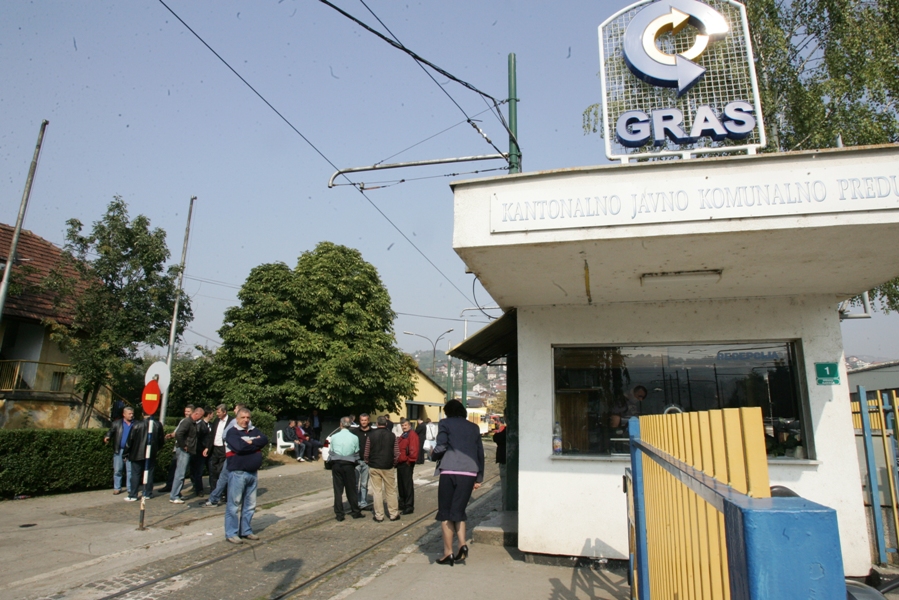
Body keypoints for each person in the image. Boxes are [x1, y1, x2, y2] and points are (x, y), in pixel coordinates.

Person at [432, 399, 484, 566]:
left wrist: (432, 455)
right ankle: (462, 544)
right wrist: (479, 477)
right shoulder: (474, 427)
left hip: (449, 470)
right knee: (459, 511)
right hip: (469, 472)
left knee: (446, 513)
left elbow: (441, 446)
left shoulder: (445, 423)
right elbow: (480, 453)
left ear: (447, 412)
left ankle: (448, 552)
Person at [224, 407, 268, 544]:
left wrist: (251, 441)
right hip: (238, 473)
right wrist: (255, 444)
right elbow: (240, 447)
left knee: (250, 505)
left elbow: (264, 439)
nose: (245, 420)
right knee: (234, 505)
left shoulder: (254, 430)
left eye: (248, 418)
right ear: (237, 419)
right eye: (243, 417)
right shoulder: (232, 432)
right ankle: (231, 533)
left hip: (252, 473)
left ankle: (246, 530)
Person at [205, 403, 248, 507]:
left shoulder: (233, 421)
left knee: (226, 476)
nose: (234, 410)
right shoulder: (247, 423)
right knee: (232, 476)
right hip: (236, 453)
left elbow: (224, 435)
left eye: (235, 409)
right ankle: (224, 497)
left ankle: (216, 498)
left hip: (232, 453)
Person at [363, 415, 400, 522]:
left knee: (377, 491)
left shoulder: (371, 435)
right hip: (388, 466)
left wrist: (368, 462)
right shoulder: (392, 435)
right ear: (386, 424)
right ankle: (393, 514)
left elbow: (366, 453)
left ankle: (379, 515)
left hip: (374, 466)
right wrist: (393, 463)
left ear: (377, 424)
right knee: (391, 491)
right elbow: (397, 453)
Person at [329, 416, 365, 521]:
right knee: (351, 489)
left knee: (338, 490)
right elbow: (356, 452)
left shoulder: (334, 437)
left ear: (340, 424)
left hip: (336, 464)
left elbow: (332, 450)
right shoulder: (354, 437)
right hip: (349, 465)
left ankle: (339, 514)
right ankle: (355, 511)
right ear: (350, 425)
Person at [124, 416, 164, 501]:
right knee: (149, 474)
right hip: (151, 454)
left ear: (142, 414)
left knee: (135, 474)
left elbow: (130, 440)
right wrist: (155, 449)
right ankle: (148, 493)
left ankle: (133, 495)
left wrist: (126, 453)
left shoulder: (137, 425)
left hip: (137, 454)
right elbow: (161, 440)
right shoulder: (157, 425)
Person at [169, 406, 204, 504]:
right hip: (184, 451)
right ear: (196, 414)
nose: (201, 418)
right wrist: (183, 446)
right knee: (180, 473)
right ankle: (174, 496)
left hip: (187, 450)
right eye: (200, 416)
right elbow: (179, 433)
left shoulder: (192, 422)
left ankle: (177, 494)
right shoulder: (187, 422)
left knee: (182, 473)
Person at [160, 405, 194, 493]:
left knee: (183, 471)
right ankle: (170, 486)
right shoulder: (183, 421)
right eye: (185, 411)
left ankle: (177, 491)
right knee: (173, 467)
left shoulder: (192, 422)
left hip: (185, 449)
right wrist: (171, 435)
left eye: (188, 411)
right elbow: (178, 432)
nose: (186, 413)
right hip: (178, 448)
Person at [104, 406, 134, 495]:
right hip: (119, 450)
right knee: (117, 470)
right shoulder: (116, 423)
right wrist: (107, 436)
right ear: (124, 414)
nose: (131, 415)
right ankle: (117, 488)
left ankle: (130, 488)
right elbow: (111, 431)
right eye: (129, 414)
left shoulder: (135, 424)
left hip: (131, 450)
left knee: (130, 470)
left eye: (132, 413)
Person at [396, 418, 419, 515]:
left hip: (407, 463)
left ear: (409, 425)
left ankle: (409, 506)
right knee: (401, 485)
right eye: (402, 425)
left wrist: (410, 460)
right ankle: (402, 503)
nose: (404, 427)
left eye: (405, 425)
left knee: (407, 485)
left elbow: (413, 448)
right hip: (401, 462)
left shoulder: (412, 435)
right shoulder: (404, 435)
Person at [207, 404, 231, 495]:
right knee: (213, 470)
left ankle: (223, 492)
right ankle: (213, 491)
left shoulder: (231, 421)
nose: (217, 414)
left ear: (224, 412)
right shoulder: (216, 420)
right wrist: (207, 447)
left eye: (219, 412)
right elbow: (212, 435)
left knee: (222, 471)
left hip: (224, 448)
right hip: (214, 448)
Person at [352, 414, 374, 511]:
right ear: (359, 421)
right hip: (356, 461)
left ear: (368, 421)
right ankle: (356, 502)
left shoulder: (373, 432)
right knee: (355, 484)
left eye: (365, 420)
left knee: (364, 484)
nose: (364, 422)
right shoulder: (355, 432)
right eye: (362, 420)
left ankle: (363, 502)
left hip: (367, 462)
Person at [190, 407, 211, 497]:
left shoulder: (210, 424)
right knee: (198, 471)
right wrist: (204, 447)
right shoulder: (200, 425)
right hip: (200, 451)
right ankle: (199, 489)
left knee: (211, 470)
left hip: (208, 451)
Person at [493, 423, 507, 509]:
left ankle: (506, 507)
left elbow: (496, 438)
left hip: (505, 461)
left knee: (505, 487)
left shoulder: (508, 431)